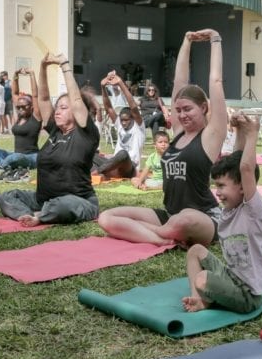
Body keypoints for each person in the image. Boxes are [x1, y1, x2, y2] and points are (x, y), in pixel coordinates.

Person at [98, 29, 228, 247]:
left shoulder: (211, 135)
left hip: (204, 216)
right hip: (169, 214)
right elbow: (179, 82)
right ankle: (165, 238)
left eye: (188, 109)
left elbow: (216, 81)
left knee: (184, 219)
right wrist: (186, 41)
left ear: (204, 107)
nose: (182, 115)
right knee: (106, 217)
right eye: (178, 110)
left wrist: (215, 38)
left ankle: (160, 234)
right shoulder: (178, 134)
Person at [0, 52, 100, 226]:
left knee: (65, 204)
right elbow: (43, 98)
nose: (57, 111)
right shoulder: (55, 131)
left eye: (63, 108)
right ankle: (30, 214)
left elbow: (75, 99)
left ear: (76, 112)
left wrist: (64, 65)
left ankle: (41, 216)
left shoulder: (85, 134)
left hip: (78, 201)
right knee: (7, 196)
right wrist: (43, 67)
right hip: (43, 200)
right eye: (57, 107)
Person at [182, 112, 262, 313]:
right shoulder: (232, 208)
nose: (217, 192)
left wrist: (252, 133)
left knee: (202, 279)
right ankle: (199, 300)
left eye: (221, 186)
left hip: (247, 295)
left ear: (242, 187)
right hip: (231, 277)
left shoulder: (253, 212)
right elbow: (238, 163)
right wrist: (238, 129)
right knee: (195, 250)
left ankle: (206, 298)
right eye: (216, 186)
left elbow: (245, 168)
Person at [0, 68, 42, 181]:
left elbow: (36, 95)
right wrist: (16, 74)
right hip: (15, 154)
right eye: (18, 107)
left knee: (15, 157)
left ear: (31, 106)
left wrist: (32, 74)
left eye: (24, 106)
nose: (20, 109)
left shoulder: (35, 116)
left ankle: (2, 165)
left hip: (32, 157)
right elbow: (14, 93)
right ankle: (5, 163)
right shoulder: (19, 117)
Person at [94, 70, 145, 180]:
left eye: (126, 120)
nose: (123, 122)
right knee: (91, 154)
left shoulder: (139, 127)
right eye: (122, 120)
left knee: (123, 154)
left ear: (133, 119)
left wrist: (121, 84)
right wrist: (103, 87)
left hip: (129, 167)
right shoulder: (119, 124)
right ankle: (103, 172)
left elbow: (133, 107)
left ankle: (95, 173)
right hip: (113, 165)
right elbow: (109, 108)